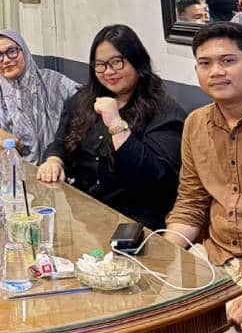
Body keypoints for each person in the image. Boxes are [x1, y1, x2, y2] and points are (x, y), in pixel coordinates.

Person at [36, 24, 186, 230]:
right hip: (83, 215)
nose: (108, 72)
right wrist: (54, 160)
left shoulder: (164, 111)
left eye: (117, 62)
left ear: (137, 61)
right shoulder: (82, 100)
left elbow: (156, 179)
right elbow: (61, 143)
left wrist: (116, 124)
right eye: (100, 65)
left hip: (136, 224)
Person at [163, 22, 242, 333]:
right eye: (205, 63)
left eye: (228, 60)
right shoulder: (196, 124)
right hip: (213, 256)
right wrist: (165, 252)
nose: (216, 71)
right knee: (148, 308)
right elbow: (190, 204)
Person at [0, 29, 78, 164]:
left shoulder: (52, 82)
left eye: (12, 51)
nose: (5, 60)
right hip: (11, 171)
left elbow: (85, 98)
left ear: (24, 51)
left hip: (54, 168)